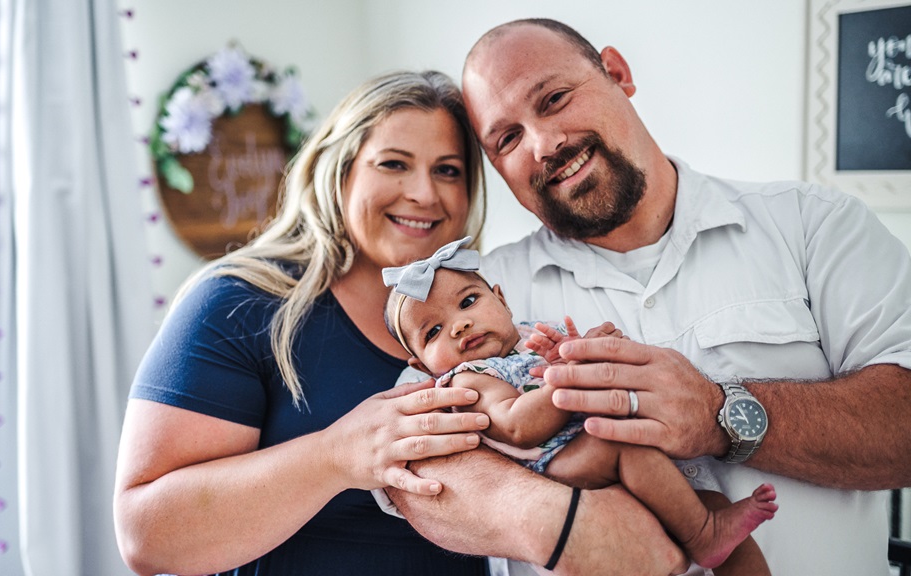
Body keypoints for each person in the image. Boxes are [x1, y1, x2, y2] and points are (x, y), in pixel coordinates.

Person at [385, 17, 911, 576]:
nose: (544, 145)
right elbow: (406, 472)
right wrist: (568, 526)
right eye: (508, 139)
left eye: (556, 98)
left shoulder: (814, 226)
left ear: (617, 73)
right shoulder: (474, 297)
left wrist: (720, 414)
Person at [112, 70, 499, 576]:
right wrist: (336, 456)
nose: (425, 193)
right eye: (394, 164)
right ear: (340, 172)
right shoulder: (239, 302)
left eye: (448, 171)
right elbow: (145, 536)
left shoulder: (484, 316)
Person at [383, 236, 775, 575]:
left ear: (501, 301)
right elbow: (518, 426)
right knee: (624, 447)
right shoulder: (469, 378)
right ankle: (702, 537)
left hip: (587, 448)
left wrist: (595, 350)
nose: (459, 325)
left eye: (468, 301)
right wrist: (567, 374)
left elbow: (581, 370)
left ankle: (707, 532)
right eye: (433, 331)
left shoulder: (531, 337)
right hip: (553, 466)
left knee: (712, 506)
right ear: (421, 366)